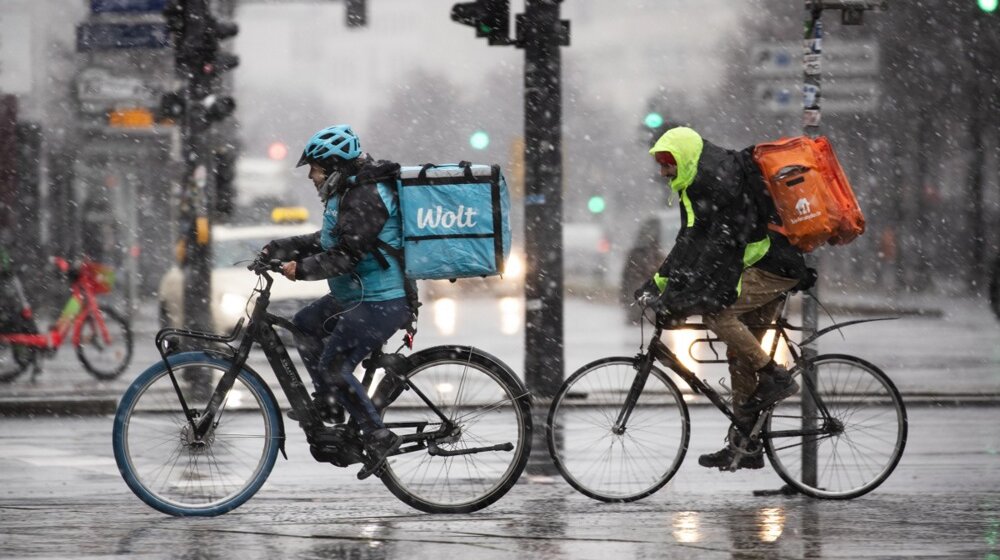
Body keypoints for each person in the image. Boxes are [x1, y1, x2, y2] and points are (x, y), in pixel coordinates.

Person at [635, 126, 814, 471]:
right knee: (738, 351)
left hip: (772, 264)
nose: (663, 171)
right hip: (756, 262)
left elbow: (723, 245)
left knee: (718, 315)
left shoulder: (718, 182)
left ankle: (776, 376)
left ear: (684, 159)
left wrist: (694, 290)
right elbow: (689, 240)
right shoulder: (695, 185)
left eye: (667, 163)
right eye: (660, 164)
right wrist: (658, 282)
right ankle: (745, 444)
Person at [262, 124, 412, 480]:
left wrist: (300, 270)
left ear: (333, 166)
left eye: (314, 168)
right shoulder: (347, 193)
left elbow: (346, 256)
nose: (311, 176)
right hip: (355, 296)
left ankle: (377, 434)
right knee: (304, 324)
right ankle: (330, 405)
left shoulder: (366, 196)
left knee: (334, 366)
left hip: (381, 301)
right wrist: (281, 247)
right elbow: (327, 238)